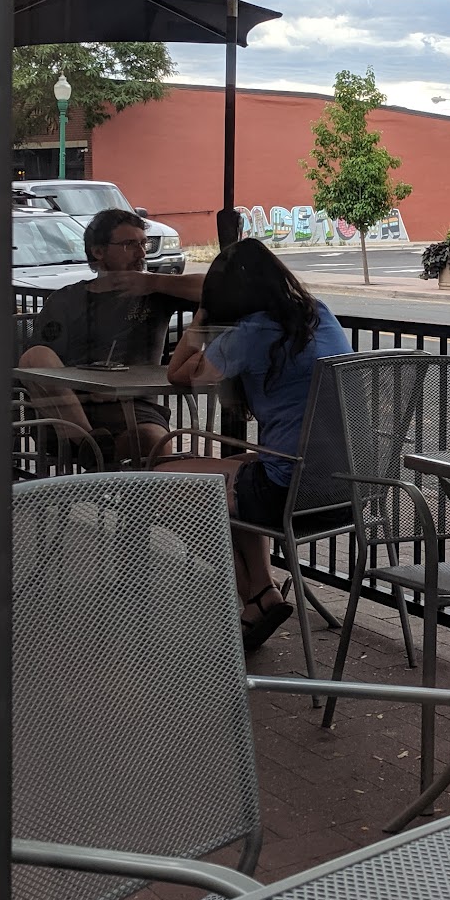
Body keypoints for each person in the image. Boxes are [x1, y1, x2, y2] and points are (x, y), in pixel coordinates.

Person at [166, 238, 352, 653]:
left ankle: (257, 594)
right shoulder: (318, 313)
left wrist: (200, 320)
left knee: (163, 478)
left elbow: (178, 374)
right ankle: (263, 594)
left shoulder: (249, 333)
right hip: (347, 488)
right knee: (236, 475)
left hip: (289, 492)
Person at [17, 207, 203, 465]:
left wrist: (155, 282)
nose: (141, 253)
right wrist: (87, 388)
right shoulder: (66, 299)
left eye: (143, 244)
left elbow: (218, 288)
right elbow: (41, 365)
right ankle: (88, 443)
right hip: (71, 410)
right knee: (35, 355)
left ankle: (96, 454)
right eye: (129, 244)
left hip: (134, 407)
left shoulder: (154, 293)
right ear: (98, 252)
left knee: (152, 440)